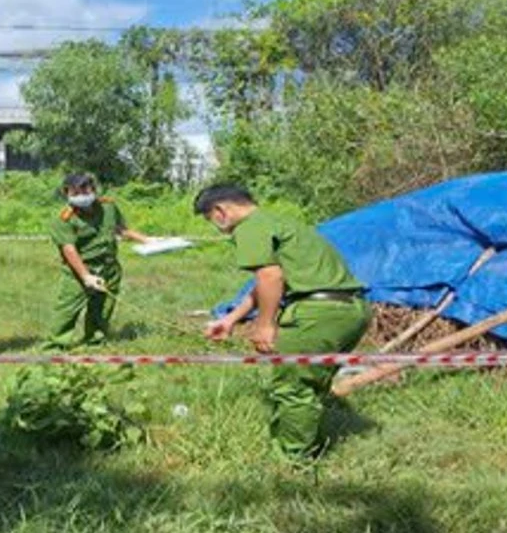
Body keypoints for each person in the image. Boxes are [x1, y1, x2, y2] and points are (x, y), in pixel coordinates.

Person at [195, 183, 371, 459]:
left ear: (220, 211)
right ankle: (315, 442)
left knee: (292, 387)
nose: (216, 227)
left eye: (210, 220)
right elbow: (265, 282)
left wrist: (265, 325)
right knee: (313, 384)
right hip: (351, 310)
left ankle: (292, 461)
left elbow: (270, 278)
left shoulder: (249, 227)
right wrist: (230, 319)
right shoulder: (279, 221)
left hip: (317, 313)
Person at [45, 173, 152, 349]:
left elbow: (120, 229)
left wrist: (146, 239)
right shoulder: (64, 219)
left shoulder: (108, 206)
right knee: (67, 309)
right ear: (67, 193)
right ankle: (55, 345)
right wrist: (86, 276)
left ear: (93, 189)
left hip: (109, 267)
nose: (82, 195)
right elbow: (69, 250)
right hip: (80, 270)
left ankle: (94, 341)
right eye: (76, 192)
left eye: (86, 189)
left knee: (103, 307)